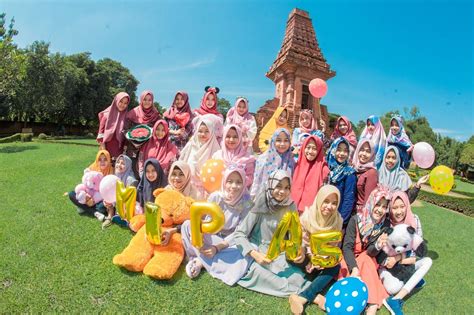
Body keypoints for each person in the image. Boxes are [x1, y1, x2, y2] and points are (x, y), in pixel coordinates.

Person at [233, 170, 310, 297]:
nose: (282, 191)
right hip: (258, 252)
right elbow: (239, 234)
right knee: (269, 278)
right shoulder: (260, 202)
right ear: (271, 185)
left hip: (280, 254)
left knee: (297, 277)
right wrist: (255, 254)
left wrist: (300, 249)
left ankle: (308, 294)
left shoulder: (290, 205)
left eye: (286, 188)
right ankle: (305, 296)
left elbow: (295, 235)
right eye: (278, 186)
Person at [181, 167, 253, 285]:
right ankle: (197, 258)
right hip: (211, 236)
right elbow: (208, 222)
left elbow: (241, 232)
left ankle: (200, 261)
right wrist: (198, 233)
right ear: (224, 181)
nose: (234, 186)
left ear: (244, 183)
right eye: (230, 181)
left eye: (238, 182)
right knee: (187, 225)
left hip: (229, 242)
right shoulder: (216, 196)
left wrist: (217, 247)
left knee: (243, 254)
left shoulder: (247, 202)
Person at [289, 185, 343, 314]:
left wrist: (321, 259)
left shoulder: (337, 221)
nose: (329, 206)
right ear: (319, 200)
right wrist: (310, 258)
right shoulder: (307, 217)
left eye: (334, 203)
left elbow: (332, 246)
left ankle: (302, 297)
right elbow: (302, 241)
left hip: (320, 260)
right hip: (306, 256)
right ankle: (315, 295)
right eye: (326, 201)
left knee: (335, 265)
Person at [340, 186, 391, 315]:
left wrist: (378, 245)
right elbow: (347, 247)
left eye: (384, 207)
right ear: (371, 202)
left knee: (366, 259)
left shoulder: (384, 225)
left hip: (368, 259)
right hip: (350, 258)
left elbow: (370, 252)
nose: (380, 210)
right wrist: (354, 268)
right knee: (346, 272)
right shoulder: (356, 219)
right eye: (378, 204)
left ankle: (372, 305)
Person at [381, 191, 432, 315]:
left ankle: (397, 299)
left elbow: (417, 253)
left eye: (402, 206)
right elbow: (383, 256)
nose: (399, 212)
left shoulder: (414, 220)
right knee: (392, 288)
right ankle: (413, 279)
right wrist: (393, 260)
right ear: (390, 208)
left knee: (427, 261)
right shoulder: (386, 223)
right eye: (394, 207)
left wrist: (399, 258)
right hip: (388, 267)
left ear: (407, 206)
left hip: (404, 262)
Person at [179, 114, 222, 200]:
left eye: (207, 131)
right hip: (187, 189)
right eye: (200, 131)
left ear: (212, 132)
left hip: (205, 193)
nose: (203, 134)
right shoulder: (190, 146)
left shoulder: (216, 151)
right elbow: (181, 163)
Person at [250, 128, 295, 198]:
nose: (282, 144)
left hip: (283, 199)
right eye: (278, 140)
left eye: (286, 140)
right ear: (273, 141)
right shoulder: (264, 159)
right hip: (265, 198)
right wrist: (253, 196)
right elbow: (257, 180)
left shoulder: (291, 161)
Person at [68, 150, 113, 217]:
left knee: (101, 208)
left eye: (105, 159)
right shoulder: (93, 167)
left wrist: (94, 200)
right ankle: (93, 211)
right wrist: (86, 196)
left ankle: (84, 207)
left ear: (109, 160)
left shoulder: (111, 170)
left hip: (100, 198)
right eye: (100, 159)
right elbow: (85, 183)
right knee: (71, 194)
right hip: (88, 195)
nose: (102, 162)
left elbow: (109, 190)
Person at [291, 135, 329, 213]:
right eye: (308, 147)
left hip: (310, 215)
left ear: (319, 150)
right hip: (291, 211)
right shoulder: (296, 165)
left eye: (314, 148)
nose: (310, 151)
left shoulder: (324, 169)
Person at [101, 154, 138, 228]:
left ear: (128, 166)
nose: (119, 165)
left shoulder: (130, 179)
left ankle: (121, 218)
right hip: (116, 201)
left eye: (123, 163)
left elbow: (129, 199)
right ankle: (111, 215)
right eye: (118, 162)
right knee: (101, 206)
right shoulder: (115, 176)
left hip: (126, 205)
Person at [326, 137, 357, 225]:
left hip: (337, 219)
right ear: (333, 150)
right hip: (323, 215)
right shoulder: (327, 168)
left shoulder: (349, 172)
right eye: (339, 150)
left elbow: (348, 199)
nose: (342, 154)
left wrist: (341, 222)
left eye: (345, 151)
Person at [97, 92, 130, 160]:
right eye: (121, 101)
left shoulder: (127, 117)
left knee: (118, 170)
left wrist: (124, 153)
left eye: (125, 103)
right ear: (116, 100)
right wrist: (104, 153)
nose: (123, 105)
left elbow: (126, 137)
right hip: (105, 150)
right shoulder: (106, 115)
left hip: (120, 153)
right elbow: (101, 135)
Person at [352, 139, 379, 213]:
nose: (364, 154)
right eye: (362, 150)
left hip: (360, 213)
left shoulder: (371, 173)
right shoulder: (354, 168)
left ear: (372, 154)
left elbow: (368, 201)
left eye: (368, 151)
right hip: (350, 211)